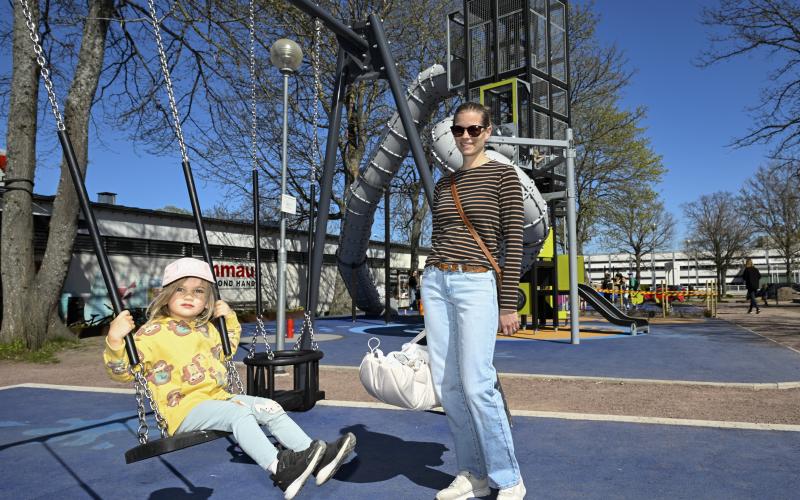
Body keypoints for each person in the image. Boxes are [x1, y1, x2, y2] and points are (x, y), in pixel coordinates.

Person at [103, 257, 355, 499]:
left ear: (208, 299)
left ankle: (316, 459)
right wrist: (115, 340)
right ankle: (281, 471)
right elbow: (124, 372)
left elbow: (227, 349)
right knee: (239, 415)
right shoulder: (151, 333)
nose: (190, 296)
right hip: (182, 410)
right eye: (181, 289)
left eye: (199, 291)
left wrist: (229, 319)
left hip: (219, 399)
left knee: (270, 406)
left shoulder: (208, 328)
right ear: (166, 294)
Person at [421, 102, 526, 500]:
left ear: (488, 131)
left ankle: (508, 477)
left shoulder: (504, 177)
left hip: (477, 282)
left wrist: (508, 302)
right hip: (437, 281)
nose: (466, 136)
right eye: (459, 130)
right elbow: (440, 236)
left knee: (478, 383)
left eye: (474, 129)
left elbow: (512, 242)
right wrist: (427, 279)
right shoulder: (443, 184)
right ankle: (473, 474)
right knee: (448, 387)